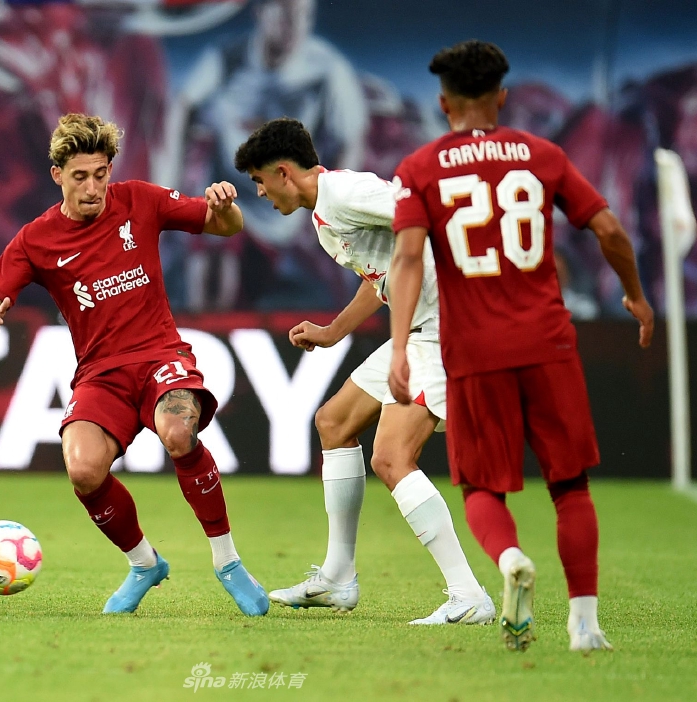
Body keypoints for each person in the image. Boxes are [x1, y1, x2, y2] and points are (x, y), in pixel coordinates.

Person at [387, 41, 654, 651]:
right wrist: (636, 296)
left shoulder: (420, 168)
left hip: (474, 353)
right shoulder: (542, 155)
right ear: (502, 97)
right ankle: (584, 624)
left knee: (482, 488)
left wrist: (400, 346)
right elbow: (610, 229)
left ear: (443, 103)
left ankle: (509, 559)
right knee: (570, 486)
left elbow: (406, 257)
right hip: (549, 344)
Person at [0, 113, 269, 616]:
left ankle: (227, 561)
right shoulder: (36, 239)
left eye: (100, 174)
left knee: (179, 432)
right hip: (100, 373)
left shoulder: (140, 200)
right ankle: (144, 564)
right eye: (80, 176)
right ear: (57, 175)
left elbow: (225, 225)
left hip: (160, 355)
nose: (93, 188)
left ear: (110, 169)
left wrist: (226, 208)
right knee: (83, 470)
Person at [233, 117, 494, 624]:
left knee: (392, 458)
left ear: (284, 173)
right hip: (417, 328)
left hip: (444, 328)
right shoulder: (323, 214)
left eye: (260, 181)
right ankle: (338, 577)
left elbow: (424, 214)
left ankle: (468, 595)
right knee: (333, 422)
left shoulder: (348, 193)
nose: (260, 193)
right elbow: (382, 275)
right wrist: (334, 331)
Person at [161, 0, 368, 311]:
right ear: (260, 12)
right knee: (204, 274)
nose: (294, 26)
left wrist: (327, 208)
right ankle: (202, 333)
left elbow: (351, 137)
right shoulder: (227, 57)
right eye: (285, 13)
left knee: (250, 295)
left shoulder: (328, 70)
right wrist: (169, 183)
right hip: (225, 195)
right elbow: (182, 106)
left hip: (280, 214)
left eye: (303, 15)